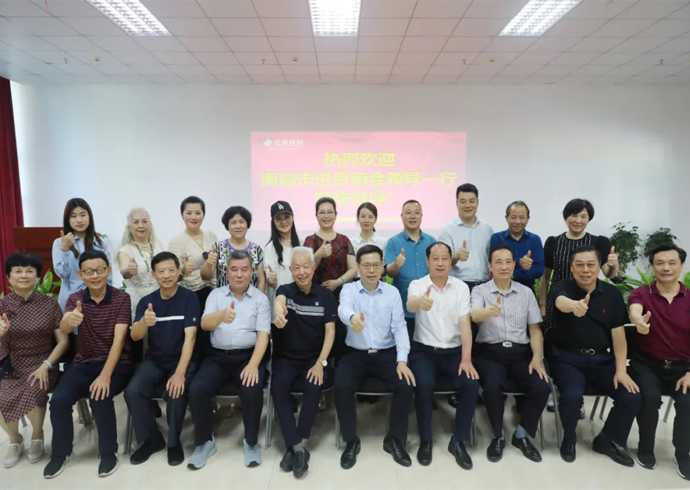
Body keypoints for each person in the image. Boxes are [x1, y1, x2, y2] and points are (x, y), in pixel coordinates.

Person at [548, 245, 641, 466]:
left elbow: (618, 336)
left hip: (601, 359)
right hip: (567, 358)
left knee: (632, 396)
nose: (585, 270)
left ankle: (606, 440)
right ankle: (569, 438)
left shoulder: (612, 294)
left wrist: (621, 371)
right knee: (571, 397)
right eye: (579, 265)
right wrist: (574, 306)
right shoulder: (562, 286)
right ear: (572, 267)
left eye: (591, 265)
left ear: (600, 267)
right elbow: (560, 302)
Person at [44, 250, 133, 479]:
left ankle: (108, 452)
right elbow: (65, 328)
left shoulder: (121, 298)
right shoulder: (75, 299)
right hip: (83, 363)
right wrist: (69, 320)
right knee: (59, 400)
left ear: (109, 271)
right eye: (89, 271)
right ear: (80, 274)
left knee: (100, 396)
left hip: (117, 363)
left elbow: (119, 341)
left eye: (100, 270)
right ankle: (61, 453)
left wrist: (105, 375)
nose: (95, 276)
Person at [188, 251, 270, 470]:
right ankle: (204, 442)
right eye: (234, 269)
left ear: (252, 272)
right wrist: (221, 316)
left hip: (247, 357)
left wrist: (254, 364)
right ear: (227, 271)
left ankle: (251, 442)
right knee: (197, 388)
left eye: (244, 269)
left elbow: (263, 336)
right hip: (217, 357)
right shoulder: (216, 295)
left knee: (252, 389)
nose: (239, 274)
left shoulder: (260, 299)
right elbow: (205, 324)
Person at [470, 245, 550, 463]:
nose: (504, 266)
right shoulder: (480, 291)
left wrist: (537, 358)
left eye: (508, 262)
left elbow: (535, 329)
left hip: (521, 353)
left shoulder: (526, 293)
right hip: (490, 353)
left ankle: (521, 434)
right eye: (498, 262)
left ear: (514, 265)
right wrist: (488, 311)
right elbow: (474, 315)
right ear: (490, 266)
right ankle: (498, 435)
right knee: (492, 386)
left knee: (542, 386)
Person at [407, 242, 480, 470]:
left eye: (444, 258)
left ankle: (458, 441)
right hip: (423, 351)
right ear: (427, 261)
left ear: (450, 261)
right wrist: (421, 302)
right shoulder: (417, 285)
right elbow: (411, 305)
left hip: (454, 352)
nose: (440, 263)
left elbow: (465, 325)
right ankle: (426, 439)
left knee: (470, 384)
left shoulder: (461, 288)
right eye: (435, 258)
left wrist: (466, 359)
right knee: (424, 385)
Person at [124, 252, 199, 467]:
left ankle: (174, 442)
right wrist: (143, 323)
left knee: (175, 391)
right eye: (161, 271)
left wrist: (180, 373)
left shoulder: (189, 298)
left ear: (178, 272)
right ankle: (151, 439)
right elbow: (135, 336)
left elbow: (191, 337)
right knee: (133, 391)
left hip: (182, 360)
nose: (166, 275)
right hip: (155, 360)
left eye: (171, 270)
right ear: (154, 274)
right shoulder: (147, 302)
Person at [0, 253, 69, 468]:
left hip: (43, 363)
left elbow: (63, 342)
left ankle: (37, 435)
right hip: (10, 364)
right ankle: (15, 439)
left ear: (37, 276)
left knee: (34, 390)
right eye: (18, 271)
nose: (24, 275)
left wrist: (46, 365)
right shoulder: (2, 305)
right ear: (9, 277)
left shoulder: (49, 304)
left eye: (29, 271)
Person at [272, 247, 336, 478]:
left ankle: (295, 443)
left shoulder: (325, 295)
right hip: (286, 357)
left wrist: (321, 363)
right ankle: (299, 448)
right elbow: (279, 302)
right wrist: (279, 313)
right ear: (291, 270)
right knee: (277, 388)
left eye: (305, 267)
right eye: (296, 267)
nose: (301, 272)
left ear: (313, 268)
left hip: (315, 358)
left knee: (314, 386)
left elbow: (330, 333)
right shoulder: (285, 290)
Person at [628, 243, 690, 480]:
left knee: (687, 403)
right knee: (649, 398)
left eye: (672, 263)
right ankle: (645, 448)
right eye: (660, 263)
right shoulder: (641, 294)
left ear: (681, 266)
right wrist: (638, 321)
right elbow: (635, 311)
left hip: (683, 367)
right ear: (652, 267)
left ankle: (683, 454)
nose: (666, 268)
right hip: (647, 364)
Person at [540, 198, 619, 317]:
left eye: (583, 217)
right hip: (558, 300)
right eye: (574, 215)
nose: (578, 221)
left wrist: (613, 266)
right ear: (566, 217)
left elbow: (609, 275)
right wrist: (543, 305)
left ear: (589, 219)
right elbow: (545, 278)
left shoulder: (598, 242)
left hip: (588, 301)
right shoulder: (553, 242)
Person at [384, 200, 436, 340]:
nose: (413, 216)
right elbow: (389, 272)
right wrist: (396, 264)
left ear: (421, 216)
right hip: (402, 308)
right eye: (408, 213)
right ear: (402, 216)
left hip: (428, 308)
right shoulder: (393, 242)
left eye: (416, 213)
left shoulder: (432, 242)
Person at [52, 198, 112, 311]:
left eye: (83, 215)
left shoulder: (101, 244)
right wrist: (64, 250)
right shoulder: (59, 243)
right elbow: (63, 274)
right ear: (67, 219)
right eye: (73, 216)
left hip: (97, 302)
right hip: (71, 301)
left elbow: (108, 277)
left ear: (89, 216)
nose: (79, 220)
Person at [438, 183, 493, 291]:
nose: (467, 205)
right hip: (458, 286)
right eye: (463, 202)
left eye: (471, 201)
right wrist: (457, 256)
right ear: (457, 203)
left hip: (485, 285)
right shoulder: (447, 230)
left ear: (477, 202)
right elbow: (442, 261)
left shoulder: (487, 229)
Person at [168, 196, 218, 312]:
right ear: (182, 215)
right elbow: (172, 275)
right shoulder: (176, 241)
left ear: (203, 215)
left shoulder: (212, 236)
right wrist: (182, 270)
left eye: (198, 213)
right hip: (190, 296)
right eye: (189, 213)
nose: (194, 217)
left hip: (214, 293)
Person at [201, 206, 266, 293]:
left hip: (251, 299)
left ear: (247, 224)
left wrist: (259, 299)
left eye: (241, 222)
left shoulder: (257, 249)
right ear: (227, 225)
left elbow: (261, 281)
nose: (238, 226)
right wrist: (208, 263)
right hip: (223, 298)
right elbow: (205, 277)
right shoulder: (218, 247)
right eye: (233, 223)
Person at [304, 197, 358, 301]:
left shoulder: (344, 240)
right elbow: (306, 270)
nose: (326, 216)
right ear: (316, 216)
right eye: (322, 212)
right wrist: (318, 255)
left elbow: (353, 269)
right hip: (315, 295)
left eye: (330, 212)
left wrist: (338, 282)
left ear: (335, 215)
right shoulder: (310, 241)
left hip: (342, 295)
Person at [117, 208, 166, 318]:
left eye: (144, 221)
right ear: (129, 227)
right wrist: (129, 270)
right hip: (138, 301)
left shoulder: (160, 247)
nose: (141, 226)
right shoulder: (125, 250)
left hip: (161, 298)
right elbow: (124, 272)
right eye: (136, 222)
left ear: (150, 224)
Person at [489, 201, 545, 291]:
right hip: (500, 289)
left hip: (527, 290)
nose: (517, 221)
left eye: (522, 217)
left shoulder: (535, 240)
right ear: (506, 218)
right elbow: (495, 265)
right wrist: (520, 263)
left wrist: (513, 275)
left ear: (528, 219)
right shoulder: (497, 238)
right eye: (513, 217)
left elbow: (539, 269)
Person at [264, 200, 302, 321]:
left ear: (293, 218)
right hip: (280, 309)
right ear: (273, 222)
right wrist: (270, 279)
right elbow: (270, 280)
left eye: (287, 217)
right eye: (278, 219)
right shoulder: (270, 248)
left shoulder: (302, 244)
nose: (283, 222)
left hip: (301, 306)